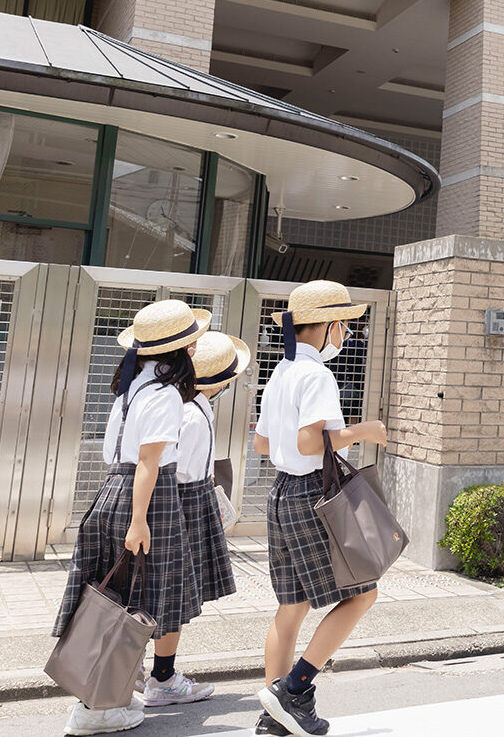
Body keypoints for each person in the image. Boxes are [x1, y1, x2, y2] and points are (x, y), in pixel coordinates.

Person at [53, 300, 210, 736]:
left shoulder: (133, 388)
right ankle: (98, 709)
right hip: (145, 498)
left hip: (113, 491)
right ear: (179, 350)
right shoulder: (162, 394)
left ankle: (104, 699)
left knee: (113, 601)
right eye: (191, 340)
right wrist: (140, 520)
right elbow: (149, 463)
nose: (196, 346)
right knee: (136, 604)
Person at [254, 280, 386, 737]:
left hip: (281, 493)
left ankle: (274, 713)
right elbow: (312, 442)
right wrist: (362, 431)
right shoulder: (317, 375)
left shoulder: (281, 371)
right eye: (345, 327)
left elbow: (261, 443)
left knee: (291, 607)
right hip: (313, 492)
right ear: (329, 325)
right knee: (363, 593)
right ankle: (295, 689)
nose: (347, 336)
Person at [179, 332, 244, 621]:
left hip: (191, 500)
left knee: (183, 591)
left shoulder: (195, 411)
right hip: (185, 504)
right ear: (220, 383)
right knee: (178, 591)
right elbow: (177, 470)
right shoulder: (192, 417)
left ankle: (162, 666)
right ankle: (162, 667)